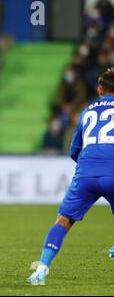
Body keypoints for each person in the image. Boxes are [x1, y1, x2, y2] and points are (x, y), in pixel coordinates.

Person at [28, 67, 114, 285]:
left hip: (86, 172)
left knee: (63, 221)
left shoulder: (87, 112)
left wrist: (90, 168)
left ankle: (41, 270)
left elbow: (74, 151)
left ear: (100, 89)